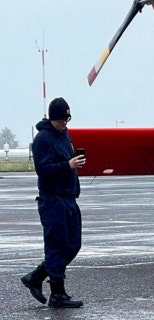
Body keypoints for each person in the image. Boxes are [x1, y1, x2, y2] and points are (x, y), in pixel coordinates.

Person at [21, 97, 85, 308]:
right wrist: (67, 165)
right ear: (52, 118)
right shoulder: (43, 139)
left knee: (73, 245)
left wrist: (73, 165)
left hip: (69, 198)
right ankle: (57, 294)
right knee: (56, 245)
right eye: (60, 120)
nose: (64, 123)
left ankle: (36, 276)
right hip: (53, 200)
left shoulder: (64, 135)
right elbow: (44, 169)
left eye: (67, 119)